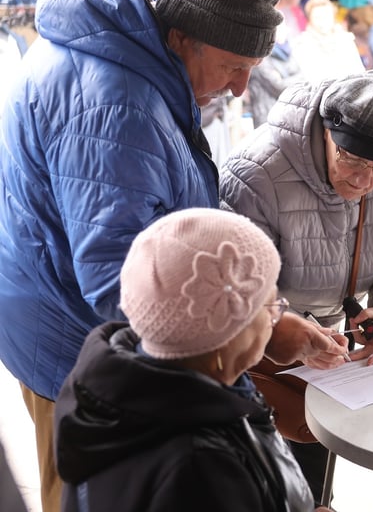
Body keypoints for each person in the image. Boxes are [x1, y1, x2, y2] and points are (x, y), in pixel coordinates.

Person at [0, 0, 285, 511]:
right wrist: (241, 353)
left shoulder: (133, 58)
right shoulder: (116, 103)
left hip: (55, 297)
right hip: (66, 331)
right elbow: (119, 279)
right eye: (232, 66)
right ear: (183, 37)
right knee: (87, 494)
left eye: (252, 67)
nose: (240, 88)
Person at [219, 70, 373, 505]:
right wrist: (284, 324)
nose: (364, 181)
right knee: (258, 477)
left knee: (313, 472)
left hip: (323, 338)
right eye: (352, 160)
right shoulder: (258, 173)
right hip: (257, 344)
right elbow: (235, 284)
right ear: (325, 132)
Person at [54, 208, 338, 512]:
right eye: (269, 303)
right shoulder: (201, 469)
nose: (277, 316)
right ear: (225, 336)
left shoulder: (129, 385)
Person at [291, 0, 366, 83]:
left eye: (326, 16)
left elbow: (359, 71)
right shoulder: (303, 44)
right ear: (310, 20)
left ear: (333, 16)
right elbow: (307, 79)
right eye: (317, 17)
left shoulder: (345, 40)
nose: (323, 21)